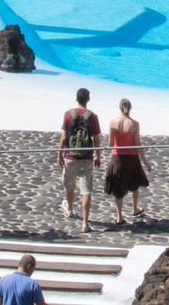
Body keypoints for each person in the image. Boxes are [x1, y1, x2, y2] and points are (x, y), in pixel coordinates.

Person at [59, 88, 102, 232]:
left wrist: (60, 154)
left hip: (70, 157)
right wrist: (98, 156)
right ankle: (85, 223)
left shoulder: (68, 114)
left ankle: (70, 209)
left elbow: (64, 138)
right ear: (88, 99)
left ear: (76, 98)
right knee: (86, 191)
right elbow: (96, 139)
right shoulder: (92, 116)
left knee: (69, 185)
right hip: (86, 158)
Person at [104, 97, 152, 224]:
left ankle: (119, 216)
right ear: (130, 108)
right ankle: (134, 208)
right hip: (132, 157)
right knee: (134, 183)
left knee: (118, 186)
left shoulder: (113, 123)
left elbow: (110, 143)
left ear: (120, 108)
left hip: (117, 157)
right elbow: (137, 144)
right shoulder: (134, 124)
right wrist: (146, 162)